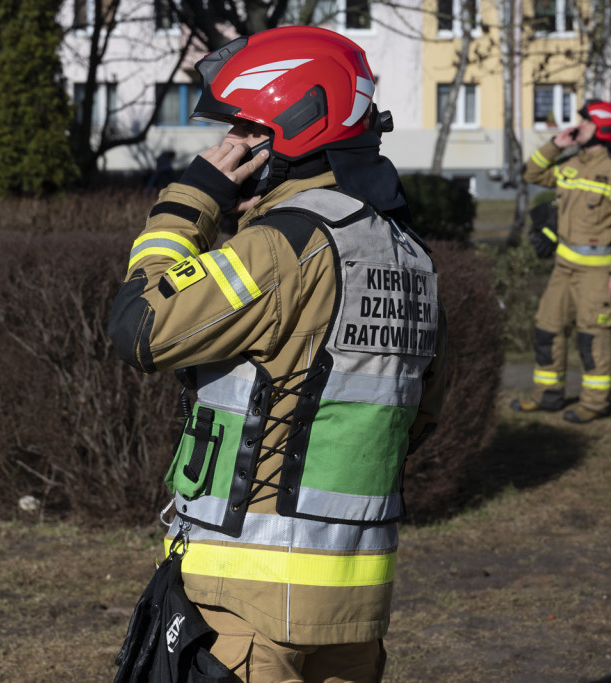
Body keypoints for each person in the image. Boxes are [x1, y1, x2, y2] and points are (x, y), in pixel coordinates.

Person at [108, 26, 447, 681]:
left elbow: (139, 324)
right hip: (355, 609)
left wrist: (193, 197)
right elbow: (418, 416)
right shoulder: (413, 258)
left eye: (243, 132)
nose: (231, 147)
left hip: (248, 607)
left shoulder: (281, 248)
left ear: (288, 129)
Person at [511, 101, 611, 424]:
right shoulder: (572, 164)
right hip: (562, 270)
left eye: (585, 121)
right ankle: (547, 396)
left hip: (597, 274)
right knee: (547, 328)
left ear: (604, 128)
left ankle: (595, 402)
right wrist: (556, 145)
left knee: (591, 334)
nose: (578, 125)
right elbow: (531, 172)